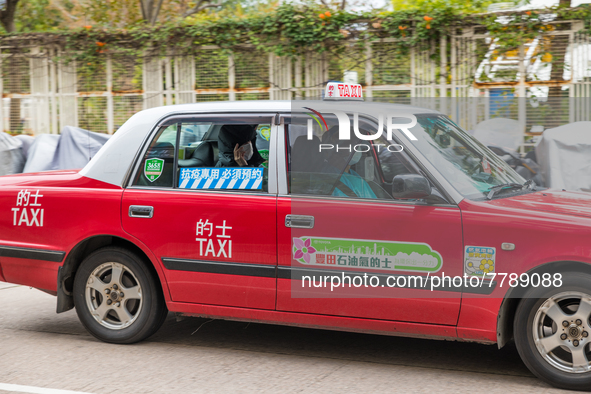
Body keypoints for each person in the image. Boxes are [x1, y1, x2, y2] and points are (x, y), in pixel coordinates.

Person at [320, 126, 377, 199]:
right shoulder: (353, 182)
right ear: (337, 149)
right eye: (351, 143)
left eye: (357, 144)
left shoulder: (350, 174)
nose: (357, 148)